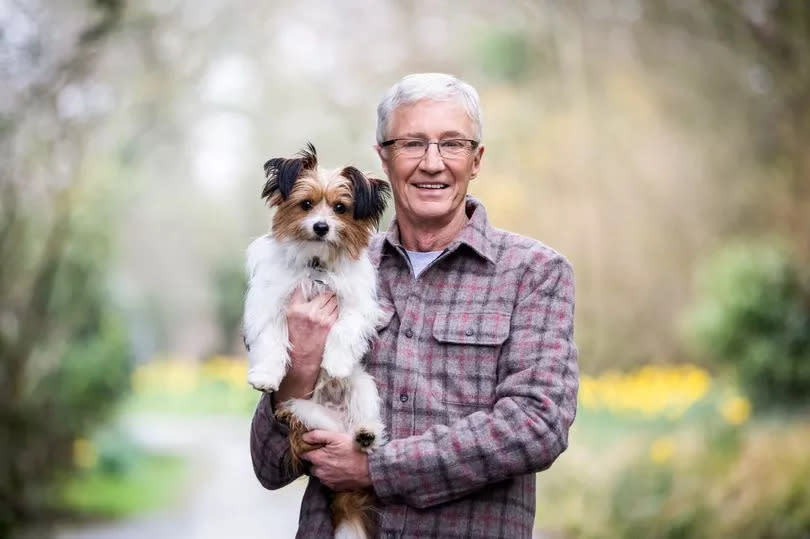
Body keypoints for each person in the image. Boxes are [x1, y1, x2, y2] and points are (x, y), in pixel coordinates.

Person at [250, 73, 579, 538]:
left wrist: (378, 469)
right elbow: (268, 467)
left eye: (452, 144)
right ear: (383, 157)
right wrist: (299, 366)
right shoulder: (328, 270)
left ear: (476, 159)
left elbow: (536, 425)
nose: (432, 163)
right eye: (411, 144)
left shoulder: (534, 274)